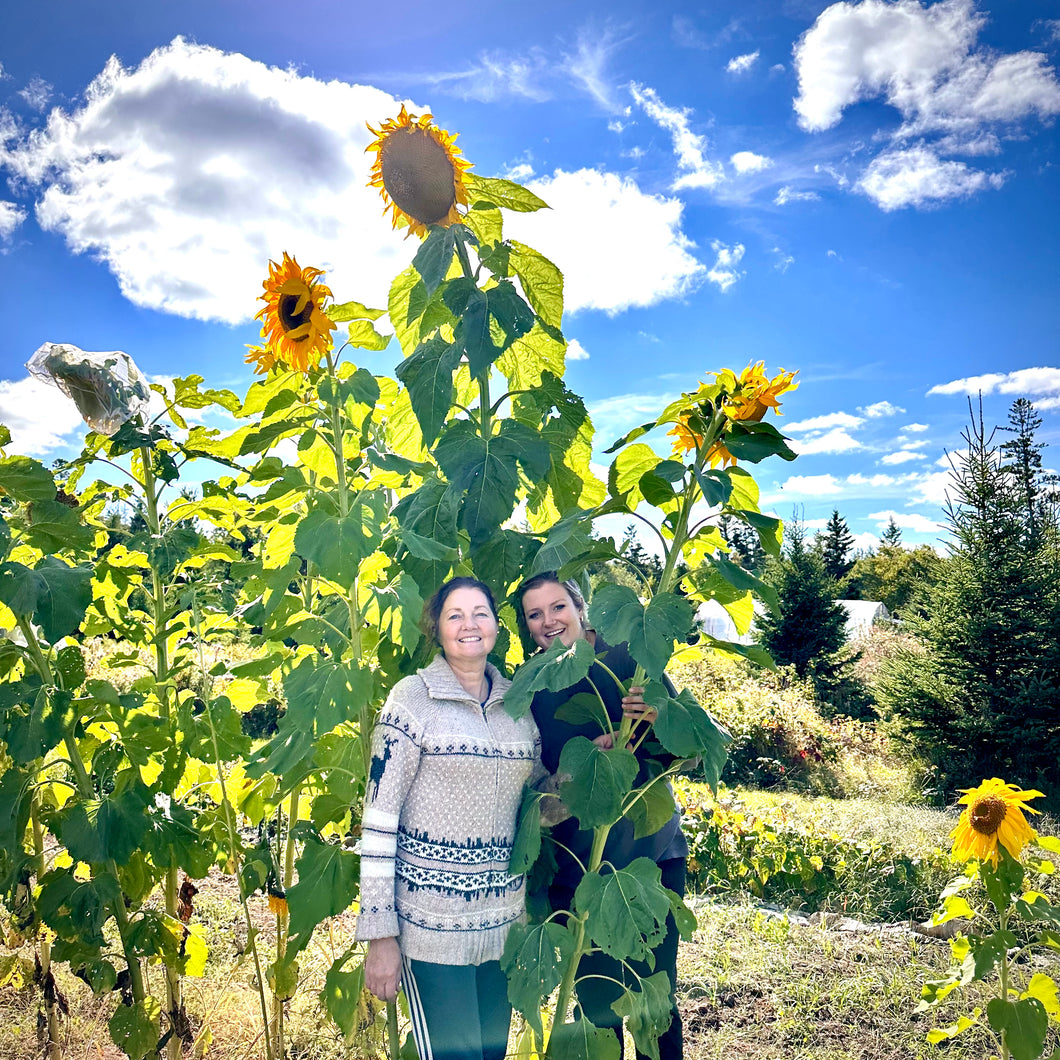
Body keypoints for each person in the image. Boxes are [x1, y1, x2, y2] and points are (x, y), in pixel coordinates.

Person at [356, 576, 542, 1060]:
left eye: (480, 612)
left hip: (502, 929)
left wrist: (593, 765)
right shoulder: (411, 701)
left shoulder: (518, 708)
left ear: (497, 627)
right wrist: (380, 935)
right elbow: (378, 824)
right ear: (436, 629)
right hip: (430, 932)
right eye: (454, 615)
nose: (468, 624)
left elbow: (537, 802)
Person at [516, 572, 688, 1060]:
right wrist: (580, 770)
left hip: (648, 856)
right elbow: (534, 789)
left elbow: (693, 746)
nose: (549, 621)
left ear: (580, 608)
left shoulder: (628, 658)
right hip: (577, 868)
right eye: (535, 614)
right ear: (527, 627)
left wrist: (661, 713)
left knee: (654, 1001)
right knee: (595, 1005)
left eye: (558, 608)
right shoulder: (532, 687)